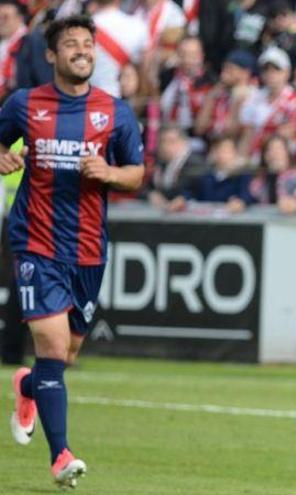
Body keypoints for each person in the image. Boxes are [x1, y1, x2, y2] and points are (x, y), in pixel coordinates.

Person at [0, 15, 144, 488]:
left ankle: (27, 385)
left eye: (88, 44)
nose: (82, 51)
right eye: (72, 45)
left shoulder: (115, 112)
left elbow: (136, 174)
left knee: (66, 356)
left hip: (87, 249)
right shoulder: (25, 104)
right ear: (52, 55)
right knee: (53, 345)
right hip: (35, 242)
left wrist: (108, 173)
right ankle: (60, 455)